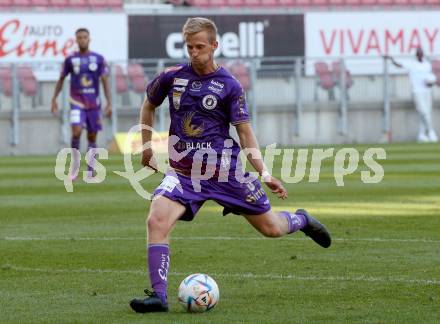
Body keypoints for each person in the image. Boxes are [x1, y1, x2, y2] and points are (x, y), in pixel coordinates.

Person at [129, 17, 331, 313]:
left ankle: (302, 219)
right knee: (155, 220)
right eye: (189, 47)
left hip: (226, 173)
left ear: (214, 46)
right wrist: (146, 147)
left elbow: (245, 132)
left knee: (272, 229)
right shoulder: (172, 77)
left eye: (200, 46)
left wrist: (265, 172)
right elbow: (148, 104)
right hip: (185, 174)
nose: (194, 52)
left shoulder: (229, 85)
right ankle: (159, 297)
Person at [51, 28, 112, 178]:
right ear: (76, 40)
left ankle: (90, 169)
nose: (82, 40)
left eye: (85, 37)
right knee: (76, 131)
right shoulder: (70, 59)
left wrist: (109, 102)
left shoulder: (98, 59)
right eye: (79, 38)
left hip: (93, 104)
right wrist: (54, 99)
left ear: (89, 39)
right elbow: (61, 79)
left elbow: (104, 81)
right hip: (76, 101)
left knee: (92, 136)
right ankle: (75, 167)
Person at [386, 48, 438, 143]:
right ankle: (431, 132)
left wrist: (431, 82)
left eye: (421, 53)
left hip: (427, 91)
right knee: (424, 112)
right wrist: (391, 59)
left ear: (423, 54)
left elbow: (431, 77)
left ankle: (421, 135)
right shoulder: (412, 64)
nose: (420, 55)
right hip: (417, 91)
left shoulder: (427, 65)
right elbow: (399, 65)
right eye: (418, 54)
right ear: (416, 55)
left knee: (427, 113)